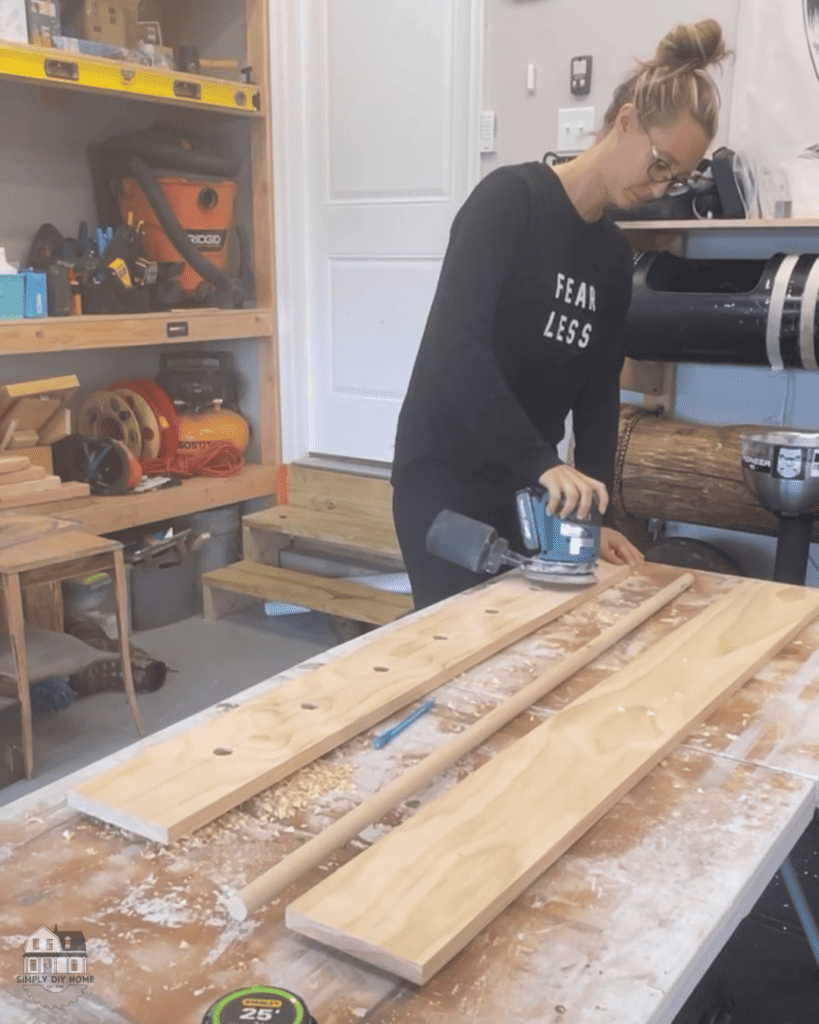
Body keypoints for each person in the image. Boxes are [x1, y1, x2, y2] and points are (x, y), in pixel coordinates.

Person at [391, 19, 730, 610]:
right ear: (625, 121)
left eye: (677, 177)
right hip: (444, 479)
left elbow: (597, 396)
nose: (661, 186)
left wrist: (593, 519)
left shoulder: (611, 255)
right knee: (458, 655)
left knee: (532, 643)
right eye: (658, 163)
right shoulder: (507, 204)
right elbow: (457, 352)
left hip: (527, 488)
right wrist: (544, 464)